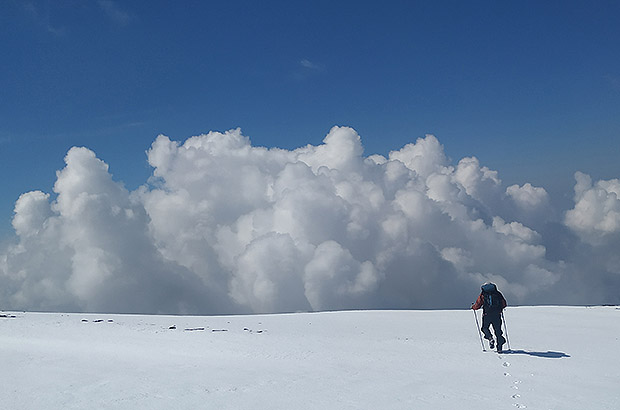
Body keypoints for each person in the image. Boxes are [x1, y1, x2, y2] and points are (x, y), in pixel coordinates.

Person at [472, 282, 507, 352]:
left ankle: (490, 337)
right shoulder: (497, 293)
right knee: (498, 331)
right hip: (497, 314)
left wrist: (474, 307)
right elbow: (504, 304)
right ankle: (499, 347)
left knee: (484, 328)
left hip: (487, 314)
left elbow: (478, 304)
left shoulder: (483, 294)